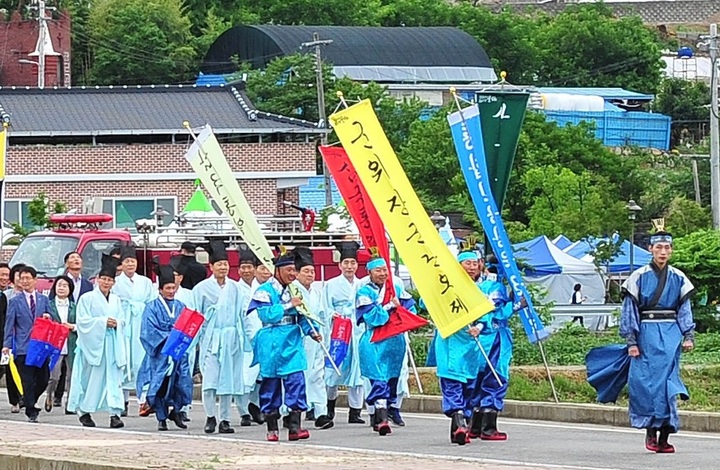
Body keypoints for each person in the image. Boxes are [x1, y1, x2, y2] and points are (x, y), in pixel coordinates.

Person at [587, 231, 695, 454]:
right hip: (645, 335)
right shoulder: (638, 277)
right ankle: (650, 432)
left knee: (669, 386)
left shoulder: (679, 277)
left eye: (667, 248)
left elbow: (684, 310)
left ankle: (665, 435)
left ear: (671, 250)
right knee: (645, 386)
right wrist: (631, 341)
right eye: (659, 248)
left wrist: (688, 335)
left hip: (671, 335)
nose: (663, 252)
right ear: (650, 250)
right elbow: (629, 311)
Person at [247, 246, 322, 442]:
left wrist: (312, 331)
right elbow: (266, 315)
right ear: (277, 270)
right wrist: (289, 305)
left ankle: (295, 427)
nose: (292, 274)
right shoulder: (264, 291)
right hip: (271, 340)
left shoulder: (295, 290)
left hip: (292, 339)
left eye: (294, 270)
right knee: (270, 385)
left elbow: (303, 314)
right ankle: (272, 428)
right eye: (289, 270)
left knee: (296, 381)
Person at [193, 240, 253, 435]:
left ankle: (225, 419)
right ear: (211, 266)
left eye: (225, 264)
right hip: (211, 338)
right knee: (210, 380)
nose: (223, 267)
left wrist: (247, 338)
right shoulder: (201, 288)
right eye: (219, 264)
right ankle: (210, 416)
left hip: (231, 338)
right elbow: (195, 314)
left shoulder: (235, 288)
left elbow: (242, 314)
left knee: (228, 380)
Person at [356, 250, 416, 436]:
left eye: (385, 270)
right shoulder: (363, 292)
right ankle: (381, 418)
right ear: (369, 273)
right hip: (374, 340)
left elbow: (410, 307)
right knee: (379, 378)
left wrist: (404, 314)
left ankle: (383, 413)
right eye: (378, 270)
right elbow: (373, 318)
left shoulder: (395, 289)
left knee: (391, 379)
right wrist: (390, 306)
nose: (382, 274)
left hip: (394, 342)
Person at [67, 254, 126, 429]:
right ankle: (84, 411)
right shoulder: (87, 298)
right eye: (104, 279)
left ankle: (114, 413)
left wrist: (118, 324)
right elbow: (82, 321)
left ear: (114, 283)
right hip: (92, 345)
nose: (106, 283)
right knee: (89, 379)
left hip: (111, 344)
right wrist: (102, 322)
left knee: (113, 379)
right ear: (98, 279)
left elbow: (122, 319)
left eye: (110, 280)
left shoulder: (116, 300)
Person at [432, 246, 484, 445]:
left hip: (470, 346)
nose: (471, 267)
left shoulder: (479, 289)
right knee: (452, 384)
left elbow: (486, 314)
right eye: (467, 263)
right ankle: (460, 421)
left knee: (469, 388)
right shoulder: (445, 288)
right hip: (449, 343)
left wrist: (479, 326)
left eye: (474, 263)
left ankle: (458, 430)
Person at [140, 263, 193, 431]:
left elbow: (187, 327)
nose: (171, 291)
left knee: (181, 382)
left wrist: (180, 339)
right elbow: (148, 330)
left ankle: (177, 411)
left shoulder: (180, 306)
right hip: (160, 353)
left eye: (173, 288)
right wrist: (168, 338)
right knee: (161, 385)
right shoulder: (151, 307)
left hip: (177, 352)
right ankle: (161, 417)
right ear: (160, 289)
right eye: (167, 288)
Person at [470, 258, 514, 441]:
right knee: (496, 379)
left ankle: (475, 426)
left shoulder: (465, 287)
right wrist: (515, 304)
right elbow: (495, 311)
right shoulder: (493, 286)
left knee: (478, 381)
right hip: (494, 337)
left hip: (475, 340)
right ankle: (488, 428)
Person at [323, 241, 366, 425]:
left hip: (357, 329)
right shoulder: (331, 284)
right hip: (339, 330)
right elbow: (324, 307)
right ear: (340, 265)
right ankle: (329, 406)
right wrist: (333, 315)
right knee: (334, 368)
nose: (350, 267)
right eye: (346, 263)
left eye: (353, 263)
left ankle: (355, 411)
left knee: (358, 371)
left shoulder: (363, 284)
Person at [2, 266, 51, 422]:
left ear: (35, 280)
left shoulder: (43, 299)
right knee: (27, 380)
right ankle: (31, 409)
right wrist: (6, 345)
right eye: (21, 278)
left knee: (43, 378)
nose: (24, 281)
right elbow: (9, 325)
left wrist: (48, 317)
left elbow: (52, 319)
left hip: (41, 346)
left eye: (28, 278)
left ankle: (28, 399)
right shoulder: (15, 301)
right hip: (23, 346)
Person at [113, 242, 157, 416]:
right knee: (124, 362)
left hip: (141, 326)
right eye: (127, 261)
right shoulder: (116, 283)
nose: (130, 264)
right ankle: (122, 400)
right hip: (124, 325)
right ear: (121, 264)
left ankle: (143, 401)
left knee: (141, 363)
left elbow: (151, 303)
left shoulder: (145, 282)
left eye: (132, 261)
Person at [292, 246, 333, 429]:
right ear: (297, 273)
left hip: (316, 339)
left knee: (318, 375)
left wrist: (326, 336)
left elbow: (323, 315)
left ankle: (321, 412)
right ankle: (291, 412)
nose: (310, 275)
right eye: (306, 271)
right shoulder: (293, 291)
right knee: (300, 375)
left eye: (312, 271)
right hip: (299, 338)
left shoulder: (317, 291)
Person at [235, 248, 263, 427]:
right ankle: (243, 411)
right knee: (244, 377)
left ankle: (255, 405)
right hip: (241, 337)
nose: (246, 270)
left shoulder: (261, 289)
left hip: (261, 335)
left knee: (261, 375)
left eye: (249, 267)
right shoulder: (234, 288)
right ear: (238, 269)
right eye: (243, 267)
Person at [44, 275, 77, 414]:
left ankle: (70, 403)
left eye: (65, 285)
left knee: (72, 375)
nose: (61, 288)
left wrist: (72, 326)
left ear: (70, 289)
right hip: (55, 344)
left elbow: (81, 323)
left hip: (71, 343)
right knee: (54, 375)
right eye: (59, 285)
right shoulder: (49, 304)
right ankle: (49, 395)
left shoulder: (74, 306)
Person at [4, 263, 25, 412]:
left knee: (25, 369)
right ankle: (14, 401)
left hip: (25, 338)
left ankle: (26, 397)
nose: (22, 279)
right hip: (10, 336)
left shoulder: (33, 296)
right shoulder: (6, 296)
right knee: (10, 370)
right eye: (18, 275)